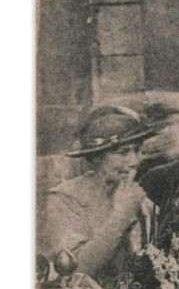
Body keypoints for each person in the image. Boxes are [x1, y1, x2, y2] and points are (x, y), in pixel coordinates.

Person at [44, 105, 156, 279]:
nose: (134, 161)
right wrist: (122, 216)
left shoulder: (141, 200)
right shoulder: (65, 200)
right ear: (97, 157)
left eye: (137, 150)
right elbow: (75, 273)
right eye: (123, 152)